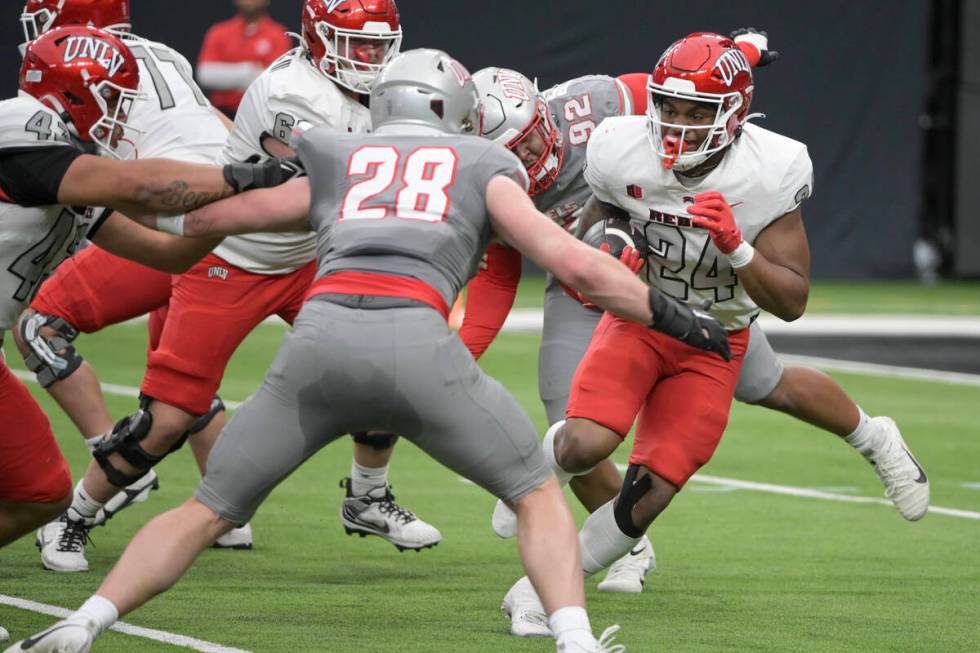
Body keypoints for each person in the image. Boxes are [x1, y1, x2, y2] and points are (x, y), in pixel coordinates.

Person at [3, 47, 736, 653]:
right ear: (455, 111)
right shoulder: (483, 162)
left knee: (208, 509)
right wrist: (680, 319)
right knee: (536, 491)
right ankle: (576, 642)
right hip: (415, 336)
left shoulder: (337, 153)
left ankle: (85, 620)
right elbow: (573, 264)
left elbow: (207, 223)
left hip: (318, 339)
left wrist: (120, 196)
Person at [497, 31, 928, 636]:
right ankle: (533, 476)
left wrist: (738, 247)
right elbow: (605, 207)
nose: (677, 125)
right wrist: (609, 243)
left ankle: (534, 592)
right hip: (645, 315)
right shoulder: (621, 146)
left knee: (651, 494)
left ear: (734, 115)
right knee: (583, 443)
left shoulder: (770, 170)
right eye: (667, 107)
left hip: (719, 337)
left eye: (697, 113)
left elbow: (793, 301)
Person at [0, 24, 296, 554]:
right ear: (76, 91)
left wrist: (247, 213)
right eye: (112, 94)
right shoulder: (22, 124)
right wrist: (253, 177)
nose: (117, 108)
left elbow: (168, 252)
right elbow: (145, 186)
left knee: (40, 493)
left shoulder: (69, 169)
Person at [196, 0, 291, 117]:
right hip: (222, 114)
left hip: (260, 114)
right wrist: (249, 72)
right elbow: (206, 75)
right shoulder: (218, 32)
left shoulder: (278, 35)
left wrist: (226, 76)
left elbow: (275, 80)